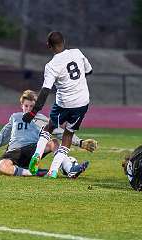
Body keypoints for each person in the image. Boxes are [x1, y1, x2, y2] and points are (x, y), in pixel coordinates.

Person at [0, 90, 97, 177]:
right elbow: (2, 137)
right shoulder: (15, 117)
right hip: (15, 152)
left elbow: (60, 132)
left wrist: (80, 142)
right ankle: (35, 172)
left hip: (34, 151)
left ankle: (70, 169)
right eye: (26, 106)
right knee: (2, 167)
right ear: (21, 106)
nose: (28, 109)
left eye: (32, 106)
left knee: (54, 142)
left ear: (36, 107)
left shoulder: (42, 119)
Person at [21, 31, 93, 178]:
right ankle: (53, 170)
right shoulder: (77, 52)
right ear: (64, 41)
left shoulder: (52, 65)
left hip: (64, 103)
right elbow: (89, 71)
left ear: (48, 45)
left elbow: (45, 90)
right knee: (68, 134)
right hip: (82, 102)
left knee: (49, 127)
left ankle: (37, 155)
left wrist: (33, 112)